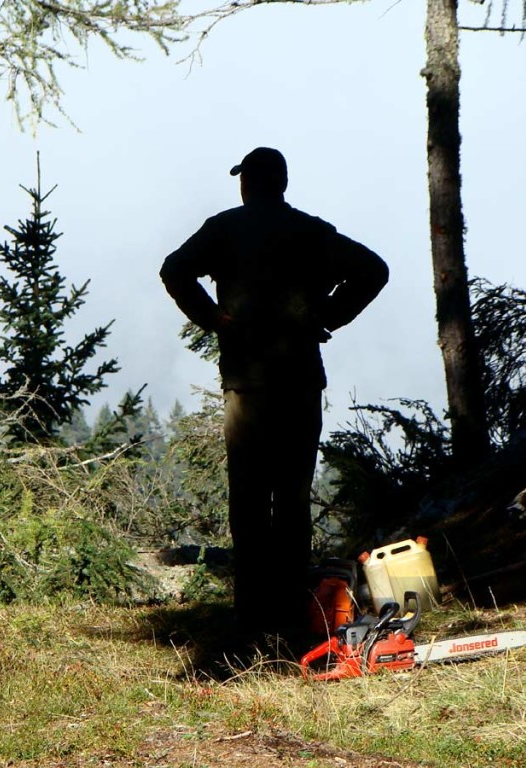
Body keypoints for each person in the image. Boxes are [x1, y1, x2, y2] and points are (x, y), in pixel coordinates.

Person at [160, 147, 388, 651]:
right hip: (300, 383)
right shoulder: (311, 231)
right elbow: (374, 269)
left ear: (247, 185)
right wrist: (327, 315)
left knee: (247, 498)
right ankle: (290, 609)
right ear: (282, 184)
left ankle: (250, 614)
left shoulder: (223, 228)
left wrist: (213, 320)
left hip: (246, 387)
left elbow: (174, 270)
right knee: (291, 497)